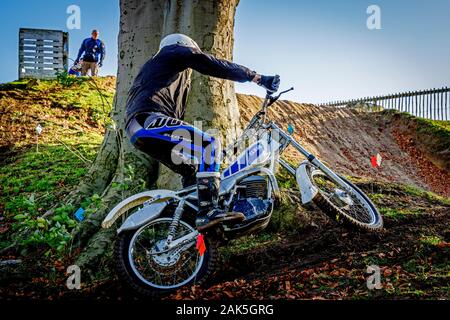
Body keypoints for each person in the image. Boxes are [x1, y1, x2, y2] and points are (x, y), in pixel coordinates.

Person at [125, 33, 280, 231]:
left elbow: (175, 117)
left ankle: (190, 221)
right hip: (148, 120)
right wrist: (257, 78)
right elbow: (210, 63)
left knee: (191, 170)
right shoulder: (173, 51)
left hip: (139, 130)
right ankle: (208, 211)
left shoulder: (158, 71)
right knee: (209, 145)